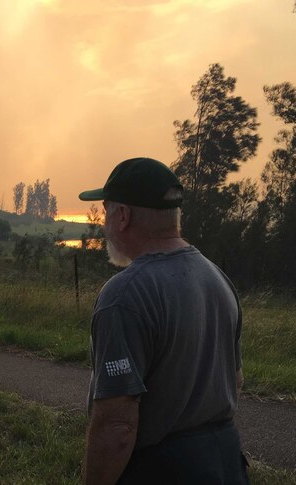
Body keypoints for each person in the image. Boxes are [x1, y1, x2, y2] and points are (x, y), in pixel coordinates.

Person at [79, 157, 248, 485]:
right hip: (226, 466)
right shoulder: (219, 279)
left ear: (123, 216)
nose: (104, 224)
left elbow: (118, 427)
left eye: (106, 212)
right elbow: (235, 381)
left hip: (161, 471)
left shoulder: (124, 295)